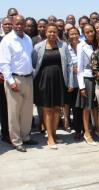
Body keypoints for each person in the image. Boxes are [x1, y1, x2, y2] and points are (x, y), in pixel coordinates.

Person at [0, 15, 38, 152]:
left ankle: (25, 137)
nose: (19, 26)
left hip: (28, 78)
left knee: (27, 111)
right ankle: (16, 141)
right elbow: (4, 63)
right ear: (12, 24)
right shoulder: (7, 40)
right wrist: (10, 81)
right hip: (15, 80)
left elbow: (29, 58)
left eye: (21, 23)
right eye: (16, 23)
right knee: (14, 112)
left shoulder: (27, 39)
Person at [32, 23, 73, 149]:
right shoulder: (38, 46)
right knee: (47, 109)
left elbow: (69, 64)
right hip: (43, 81)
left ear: (57, 33)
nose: (52, 34)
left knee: (56, 109)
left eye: (54, 32)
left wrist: (70, 82)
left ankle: (54, 134)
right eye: (49, 31)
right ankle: (49, 137)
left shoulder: (63, 45)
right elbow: (33, 65)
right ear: (45, 33)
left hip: (59, 81)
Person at [76, 23, 99, 145]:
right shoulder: (81, 45)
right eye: (87, 32)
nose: (90, 33)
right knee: (87, 108)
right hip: (87, 78)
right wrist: (82, 86)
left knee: (95, 107)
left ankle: (97, 130)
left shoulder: (97, 44)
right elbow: (79, 68)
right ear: (84, 33)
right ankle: (87, 133)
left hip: (98, 79)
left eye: (92, 31)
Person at [66, 26, 83, 141]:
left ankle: (87, 129)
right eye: (71, 34)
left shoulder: (84, 46)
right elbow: (65, 64)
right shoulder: (66, 49)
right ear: (68, 36)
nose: (74, 36)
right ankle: (78, 130)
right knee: (76, 108)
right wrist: (71, 69)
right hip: (73, 83)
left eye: (76, 34)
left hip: (85, 82)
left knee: (86, 108)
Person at [0, 17, 13, 144]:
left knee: (10, 108)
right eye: (6, 24)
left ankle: (10, 132)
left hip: (12, 78)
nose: (8, 26)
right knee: (3, 108)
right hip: (1, 78)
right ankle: (4, 133)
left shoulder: (17, 39)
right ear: (2, 26)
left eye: (10, 24)